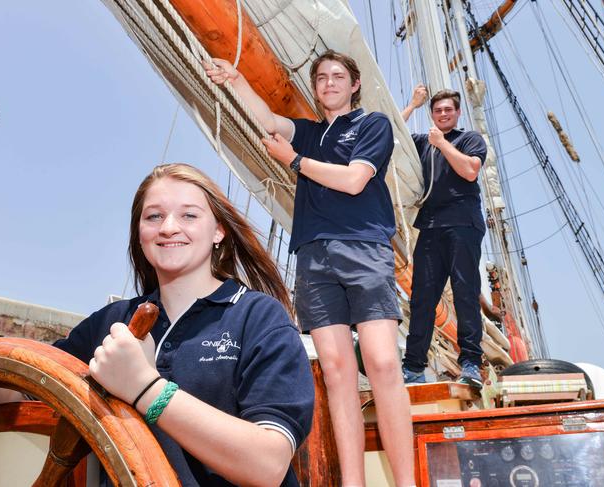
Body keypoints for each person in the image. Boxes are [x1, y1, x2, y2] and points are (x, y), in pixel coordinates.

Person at [0, 163, 314, 487]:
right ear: (139, 234)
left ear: (218, 231)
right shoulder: (109, 323)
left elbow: (267, 465)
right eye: (154, 216)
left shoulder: (258, 318)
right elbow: (17, 391)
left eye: (189, 215)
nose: (168, 227)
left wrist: (144, 387)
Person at [205, 51, 415, 487]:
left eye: (339, 76)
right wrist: (235, 79)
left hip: (364, 249)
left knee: (381, 363)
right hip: (314, 256)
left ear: (355, 84)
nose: (329, 83)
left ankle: (408, 481)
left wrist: (295, 162)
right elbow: (268, 121)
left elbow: (355, 179)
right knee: (337, 373)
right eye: (321, 78)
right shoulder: (309, 131)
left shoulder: (372, 125)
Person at [400, 84, 487, 388]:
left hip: (463, 223)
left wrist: (443, 144)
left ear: (457, 112)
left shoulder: (469, 139)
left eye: (448, 109)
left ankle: (471, 363)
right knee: (422, 298)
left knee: (465, 294)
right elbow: (393, 135)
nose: (443, 114)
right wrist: (412, 104)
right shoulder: (423, 142)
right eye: (438, 110)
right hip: (431, 226)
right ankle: (412, 368)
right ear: (432, 114)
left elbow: (470, 171)